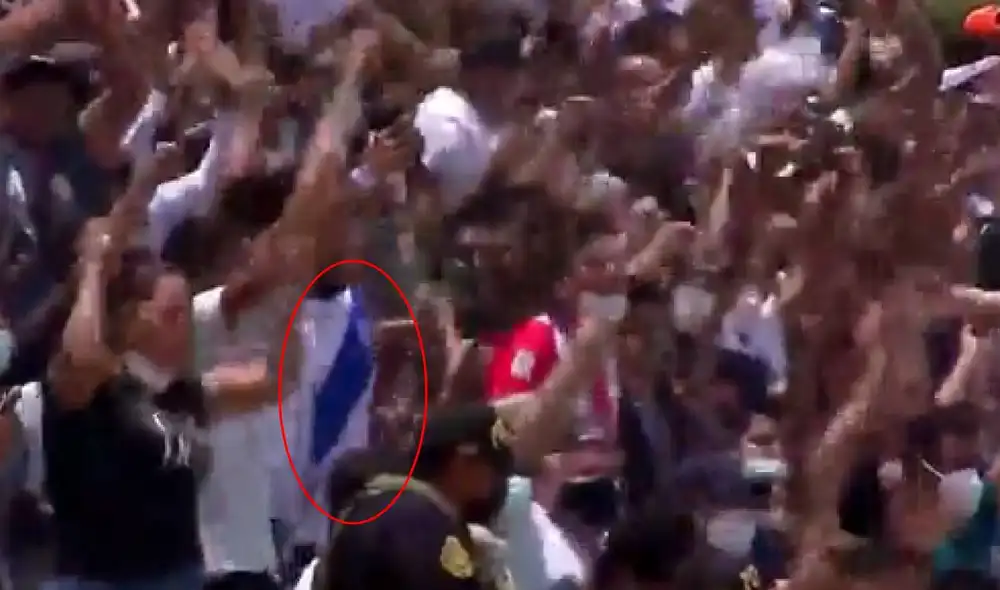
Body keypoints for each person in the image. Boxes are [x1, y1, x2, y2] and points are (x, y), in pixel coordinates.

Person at [297, 404, 517, 590]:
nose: (495, 481)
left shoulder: (372, 501)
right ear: (462, 462)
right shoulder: (428, 527)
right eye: (492, 467)